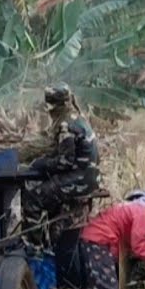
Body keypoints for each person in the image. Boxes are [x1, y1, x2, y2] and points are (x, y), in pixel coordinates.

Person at [24, 83, 101, 223]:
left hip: (80, 179)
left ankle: (33, 244)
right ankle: (52, 236)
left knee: (33, 198)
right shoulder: (78, 118)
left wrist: (41, 163)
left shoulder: (66, 126)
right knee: (48, 193)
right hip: (90, 176)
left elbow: (65, 162)